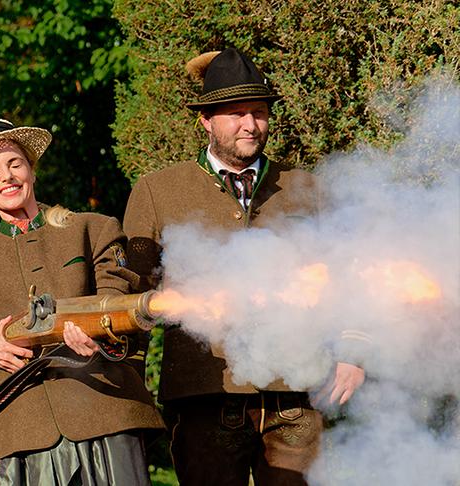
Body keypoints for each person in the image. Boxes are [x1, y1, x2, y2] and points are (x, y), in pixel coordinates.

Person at [123, 47, 368, 485]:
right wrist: (130, 387)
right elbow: (132, 291)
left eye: (258, 113)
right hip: (203, 392)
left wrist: (352, 350)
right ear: (206, 120)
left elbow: (348, 271)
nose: (250, 125)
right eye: (236, 114)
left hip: (295, 390)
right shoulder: (157, 191)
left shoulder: (305, 186)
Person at [0, 119, 165, 485]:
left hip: (103, 412)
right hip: (11, 428)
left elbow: (117, 305)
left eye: (15, 163)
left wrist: (98, 335)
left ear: (31, 169)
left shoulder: (93, 229)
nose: (7, 177)